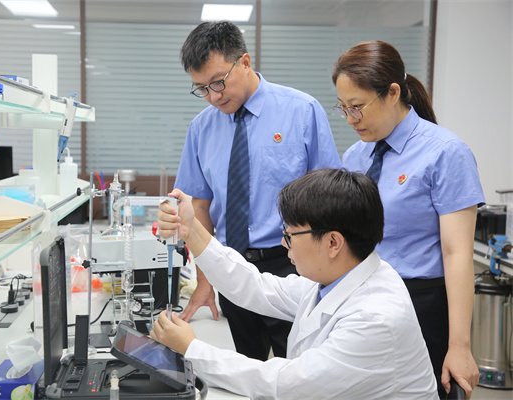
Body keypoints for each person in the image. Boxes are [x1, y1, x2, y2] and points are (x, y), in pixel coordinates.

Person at [152, 169, 437, 400]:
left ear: (333, 242)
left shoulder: (375, 318)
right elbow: (256, 286)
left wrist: (192, 350)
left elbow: (286, 384)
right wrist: (190, 229)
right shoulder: (340, 275)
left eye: (290, 235)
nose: (283, 242)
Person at [174, 21, 340, 362]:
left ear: (245, 62)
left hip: (293, 265)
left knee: (299, 369)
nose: (213, 96)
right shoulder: (201, 128)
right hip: (231, 265)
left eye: (218, 82)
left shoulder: (302, 112)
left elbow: (331, 200)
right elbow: (200, 208)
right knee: (247, 368)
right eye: (202, 88)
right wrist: (206, 280)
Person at [333, 40, 484, 398]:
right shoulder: (355, 156)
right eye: (343, 108)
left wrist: (460, 346)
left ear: (393, 93)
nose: (351, 119)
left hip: (420, 304)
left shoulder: (445, 153)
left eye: (357, 107)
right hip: (362, 300)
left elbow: (457, 254)